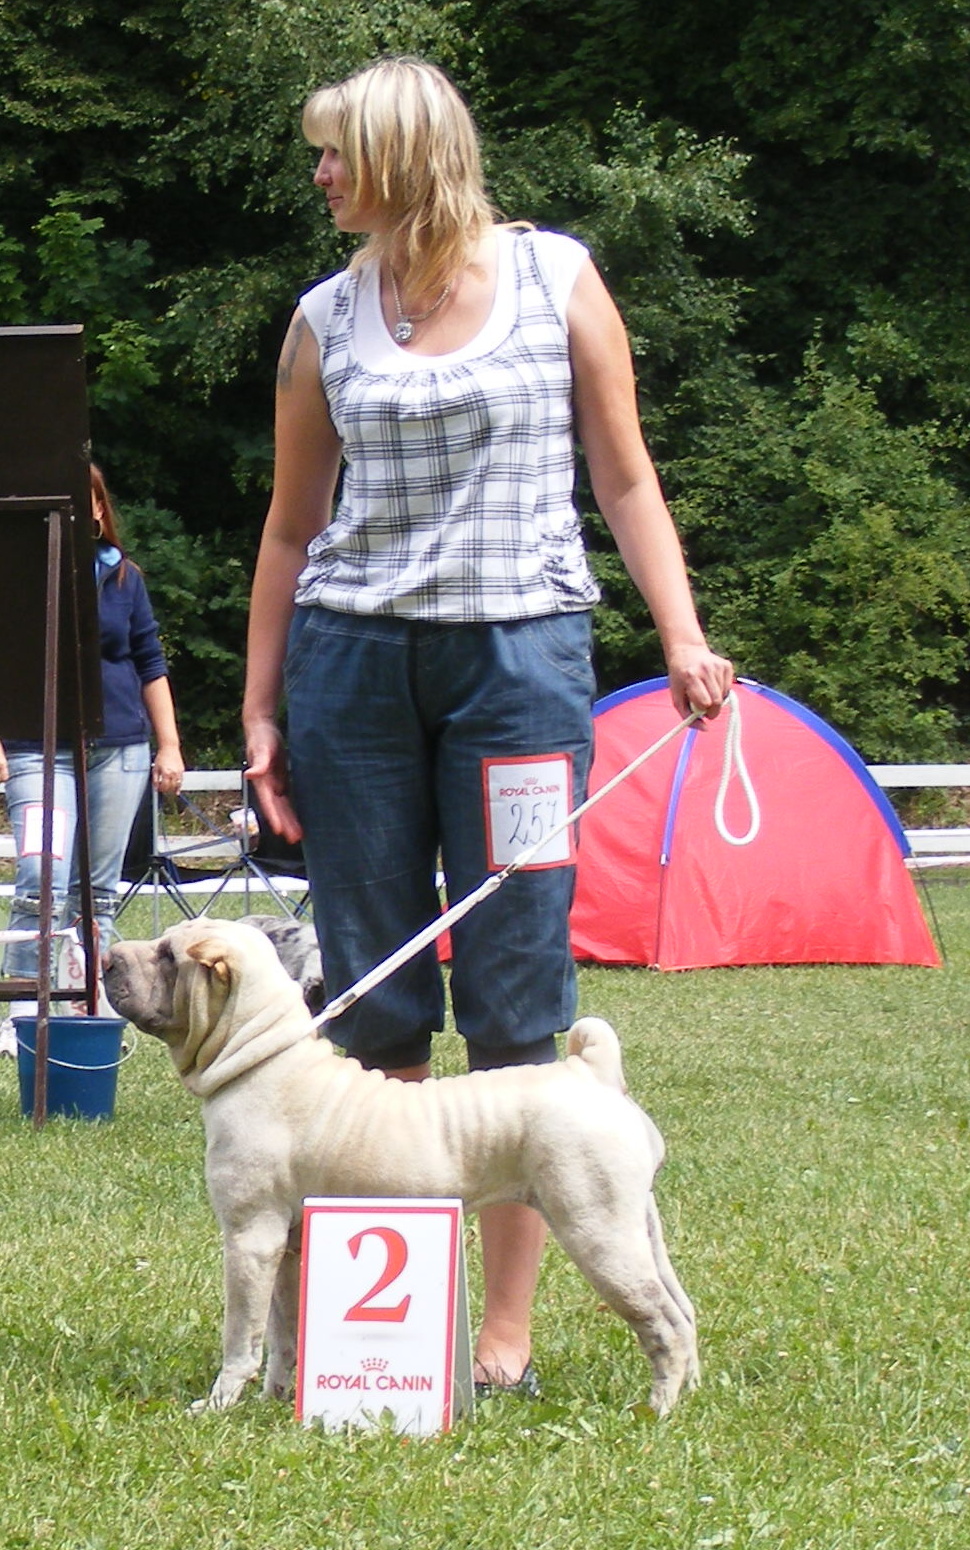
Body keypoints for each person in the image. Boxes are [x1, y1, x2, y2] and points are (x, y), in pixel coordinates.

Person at [243, 56, 734, 1395]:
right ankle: (386, 1340)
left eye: (335, 153)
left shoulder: (557, 279)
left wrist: (682, 636)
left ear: (403, 153)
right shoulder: (321, 319)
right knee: (377, 985)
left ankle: (504, 1339)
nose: (320, 176)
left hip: (518, 669)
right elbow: (291, 528)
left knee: (516, 989)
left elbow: (623, 475)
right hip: (352, 674)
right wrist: (259, 707)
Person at [0, 463, 183, 1053]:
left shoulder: (124, 577)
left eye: (92, 502)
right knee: (40, 883)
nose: (83, 513)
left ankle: (90, 1005)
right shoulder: (14, 578)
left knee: (99, 892)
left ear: (101, 512)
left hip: (121, 751)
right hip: (36, 750)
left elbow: (149, 662)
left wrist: (170, 745)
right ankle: (19, 1012)